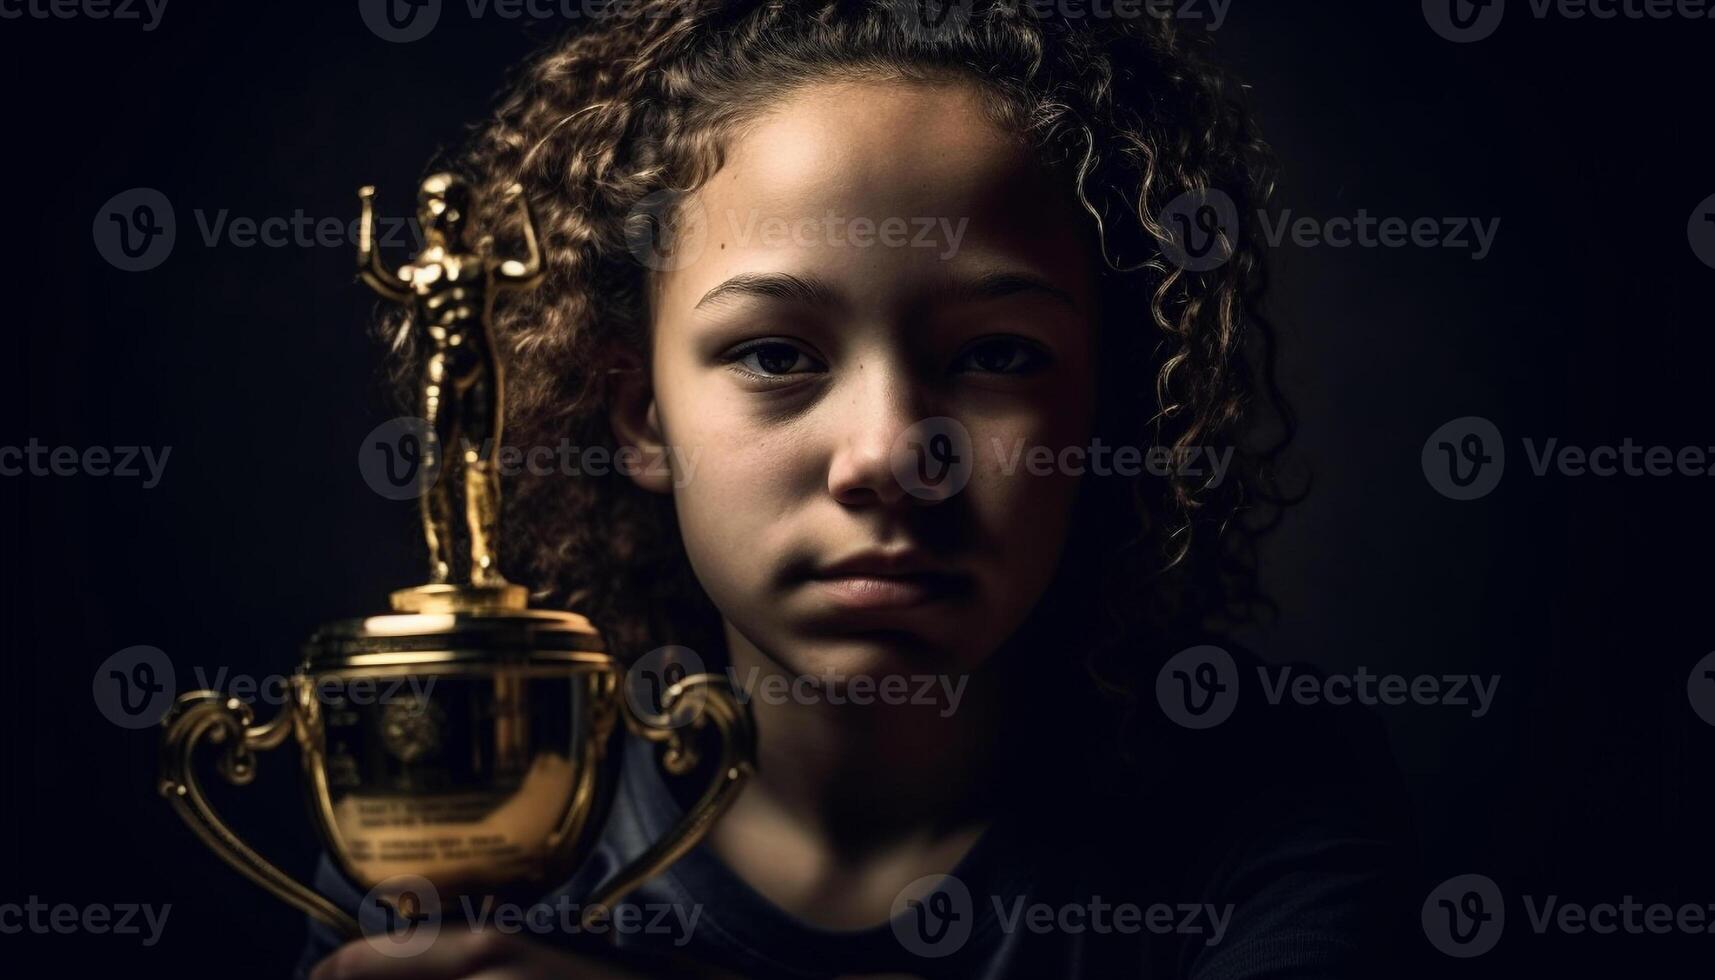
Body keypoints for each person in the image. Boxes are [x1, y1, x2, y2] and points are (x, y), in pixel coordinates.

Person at [303, 2, 1412, 976]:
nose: (887, 454)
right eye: (776, 356)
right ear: (640, 413)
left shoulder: (1260, 806)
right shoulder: (463, 813)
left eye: (996, 356)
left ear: (1109, 407)